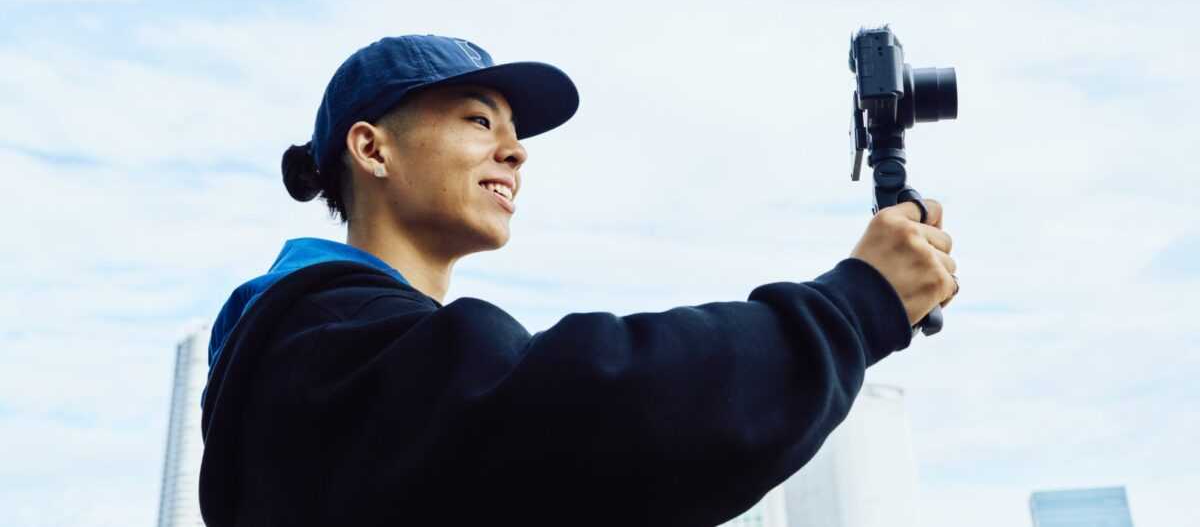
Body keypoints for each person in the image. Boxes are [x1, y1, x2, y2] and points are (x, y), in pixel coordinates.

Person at [199, 34, 958, 526]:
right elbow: (599, 407)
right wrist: (855, 306)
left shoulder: (335, 356)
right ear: (371, 149)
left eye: (515, 135)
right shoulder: (324, 344)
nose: (516, 152)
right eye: (478, 121)